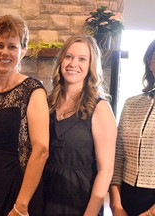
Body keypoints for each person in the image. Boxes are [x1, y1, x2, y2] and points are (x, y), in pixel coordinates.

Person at [0, 15, 49, 216]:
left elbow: (41, 150)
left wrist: (21, 205)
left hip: (19, 191)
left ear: (23, 51)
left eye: (12, 46)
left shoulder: (33, 90)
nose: (4, 52)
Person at [43, 34, 117, 216]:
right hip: (46, 198)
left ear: (91, 66)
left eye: (82, 59)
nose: (73, 64)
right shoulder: (47, 104)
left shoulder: (100, 108)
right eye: (68, 56)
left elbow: (106, 170)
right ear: (60, 61)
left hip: (81, 202)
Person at [109, 40, 155, 216]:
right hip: (127, 196)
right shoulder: (131, 103)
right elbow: (118, 154)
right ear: (150, 63)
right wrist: (116, 203)